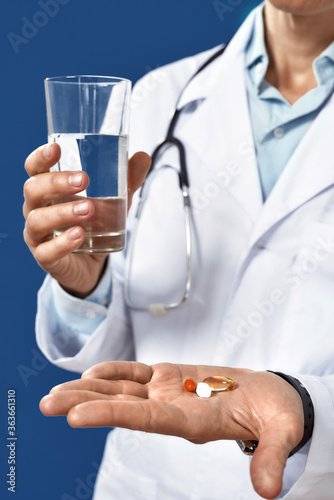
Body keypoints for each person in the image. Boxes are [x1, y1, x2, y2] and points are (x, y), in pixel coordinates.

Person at [23, 0, 334, 498]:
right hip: (144, 482)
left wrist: (309, 404)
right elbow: (116, 350)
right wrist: (87, 282)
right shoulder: (159, 96)